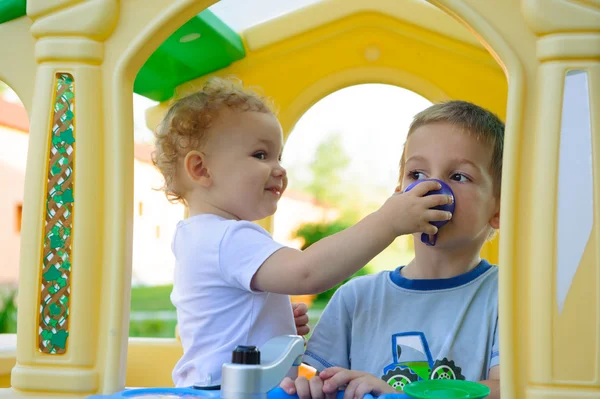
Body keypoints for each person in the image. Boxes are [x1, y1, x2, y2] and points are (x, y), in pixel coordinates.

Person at [152, 77, 454, 388]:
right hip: (229, 391)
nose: (279, 169)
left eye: (278, 156)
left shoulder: (199, 236)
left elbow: (224, 319)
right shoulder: (228, 238)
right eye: (260, 155)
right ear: (201, 169)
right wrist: (388, 222)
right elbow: (307, 273)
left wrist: (271, 324)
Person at [281, 100, 504, 399]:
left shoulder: (507, 296)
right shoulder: (354, 299)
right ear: (399, 193)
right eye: (417, 175)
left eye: (459, 176)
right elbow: (313, 382)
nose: (433, 188)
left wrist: (401, 396)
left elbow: (508, 388)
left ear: (499, 208)